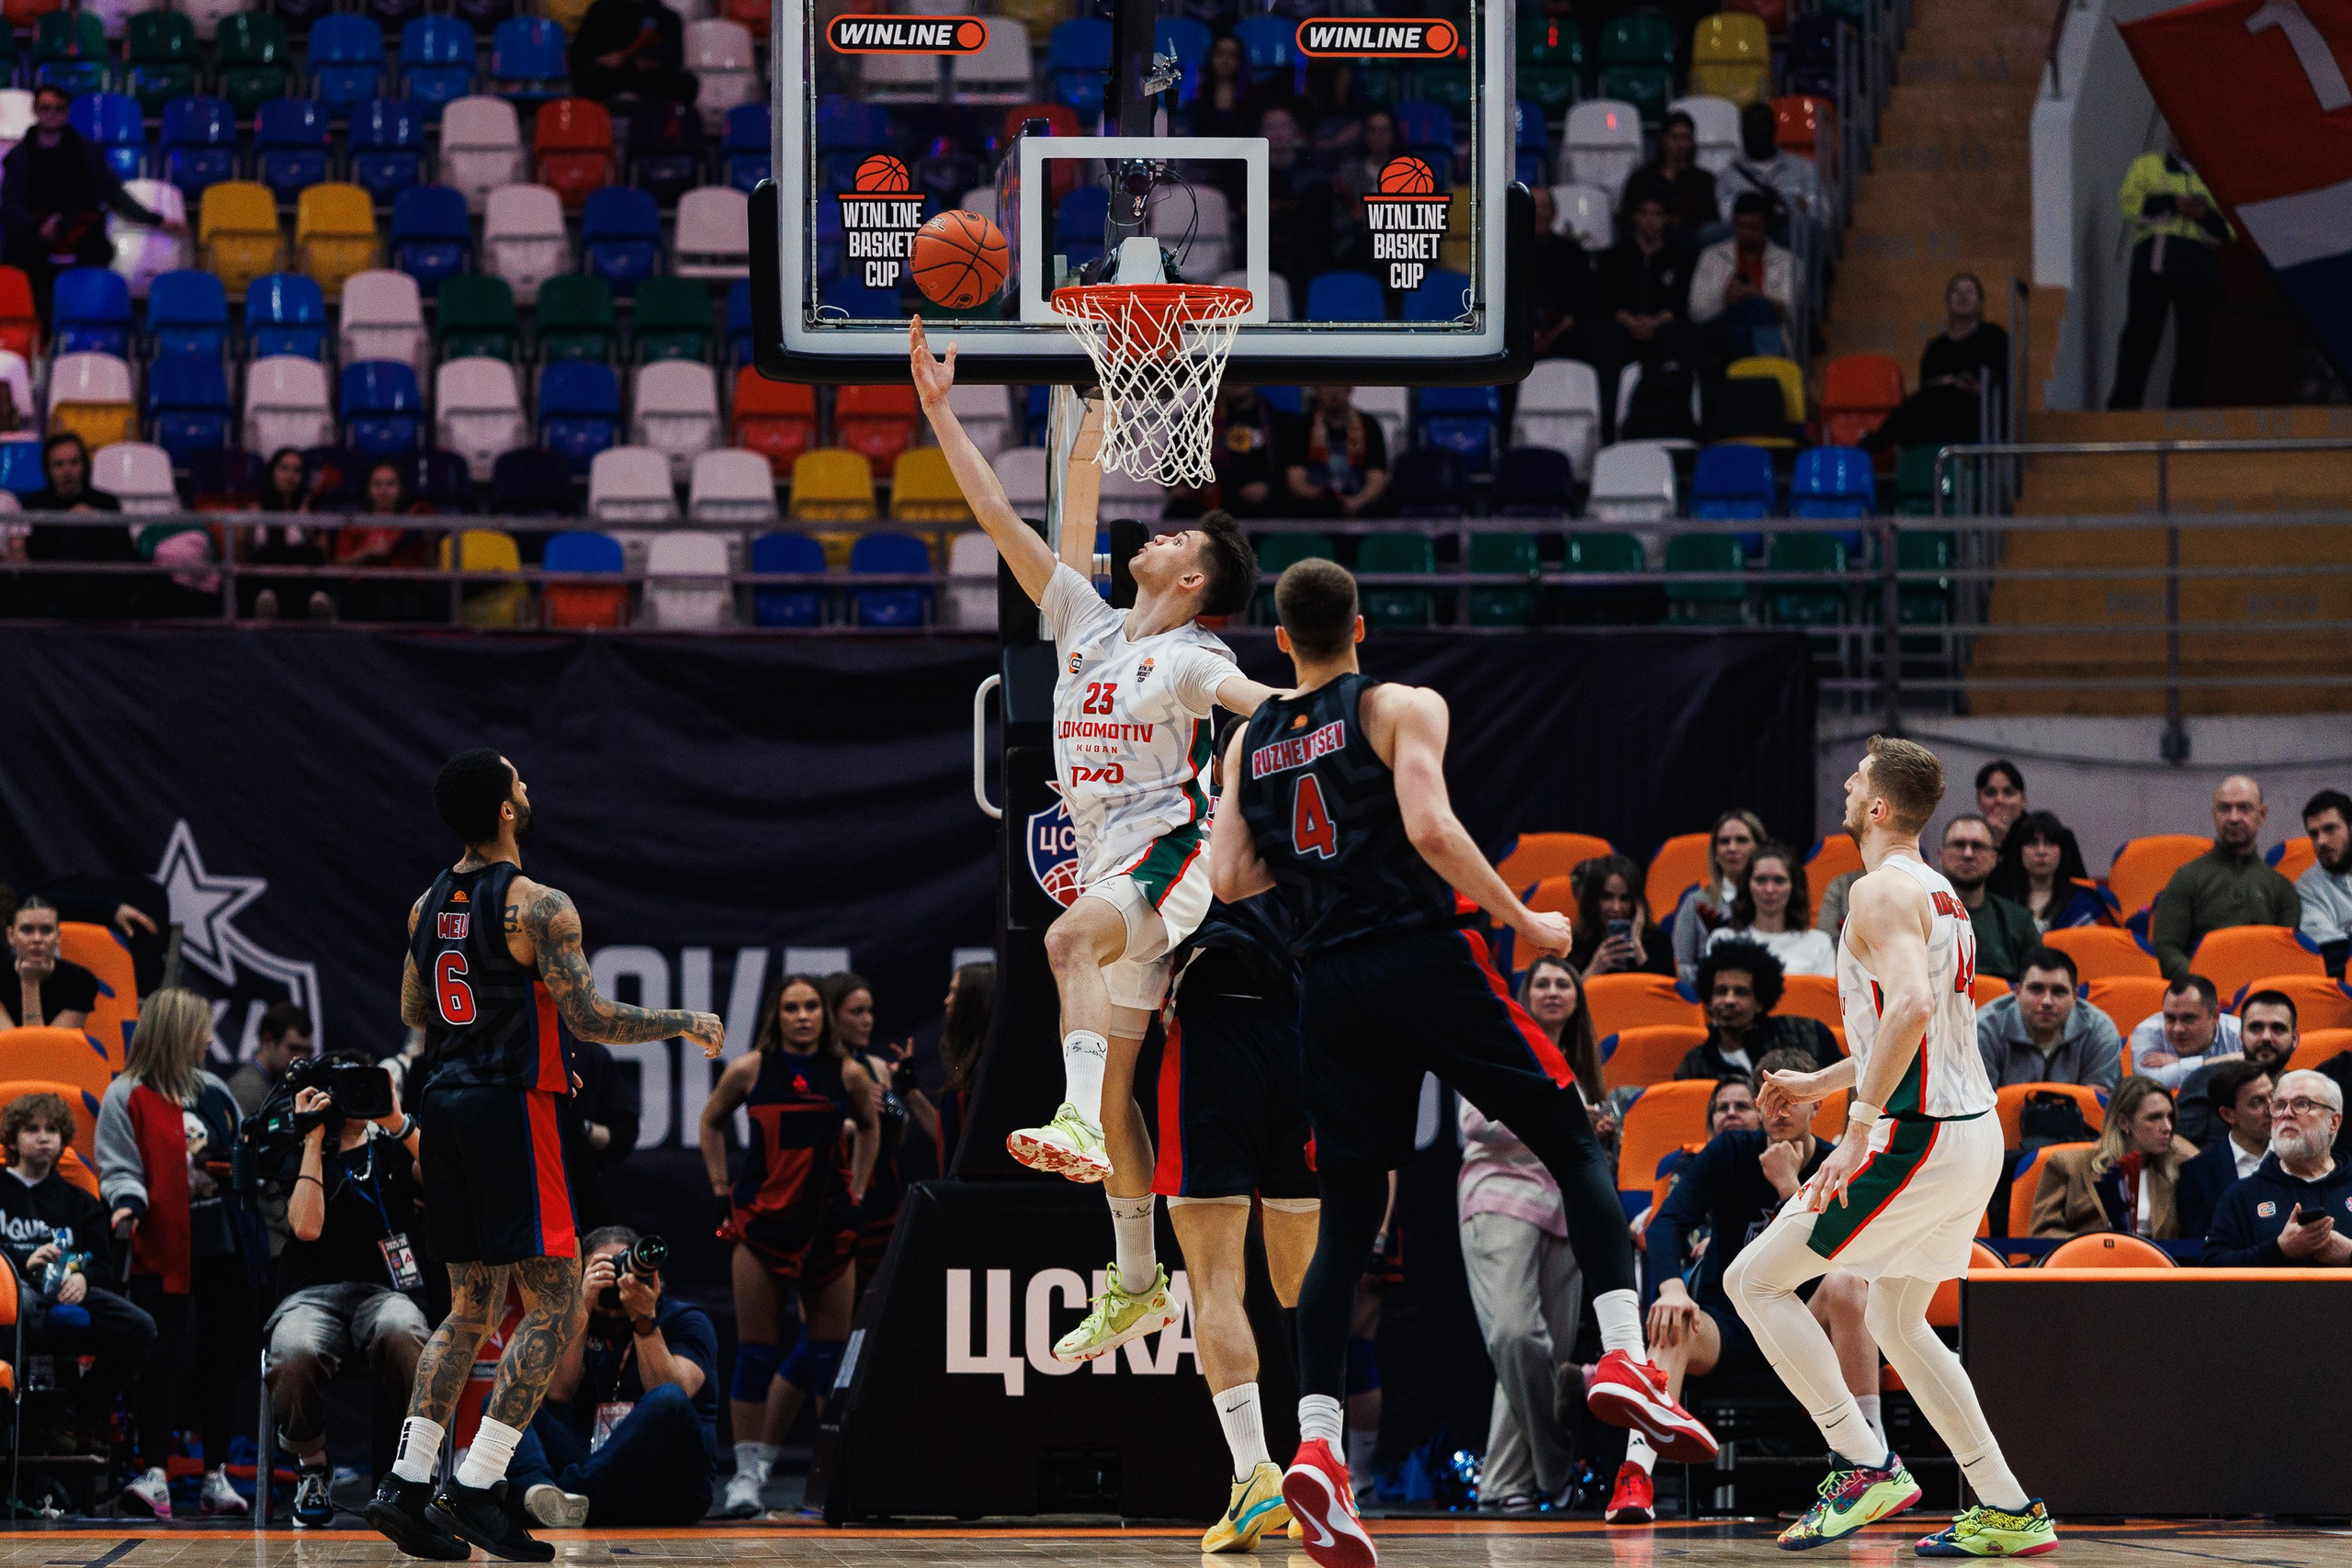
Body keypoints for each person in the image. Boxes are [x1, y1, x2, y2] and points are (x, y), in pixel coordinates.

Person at [1213, 558, 1717, 1568]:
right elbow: (1431, 827)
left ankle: (1314, 1444)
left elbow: (1229, 879)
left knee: (1347, 1219)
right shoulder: (1398, 702)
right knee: (1571, 1135)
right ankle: (1620, 1355)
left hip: (1329, 985)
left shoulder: (1246, 744)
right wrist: (1524, 915)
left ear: (1279, 641)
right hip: (1423, 956)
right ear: (1359, 626)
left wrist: (1318, 859)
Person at [911, 326, 1281, 1371]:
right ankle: (1131, 1282)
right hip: (1111, 860)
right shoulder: (1085, 618)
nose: (1153, 536)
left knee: (1066, 944)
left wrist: (1309, 713)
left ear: (1196, 584)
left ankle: (1066, 1119)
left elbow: (1252, 700)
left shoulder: (1189, 655)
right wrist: (940, 408)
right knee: (1121, 1092)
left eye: (1174, 541)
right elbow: (994, 512)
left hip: (1165, 862)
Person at [364, 749, 723, 1563]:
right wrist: (683, 1020)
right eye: (518, 781)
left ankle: (407, 1480)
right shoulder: (539, 905)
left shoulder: (425, 906)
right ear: (504, 810)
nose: (529, 788)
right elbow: (590, 1018)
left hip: (443, 1105)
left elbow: (415, 1005)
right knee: (557, 1302)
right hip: (510, 1108)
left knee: (469, 1311)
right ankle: (481, 1483)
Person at [1727, 736, 2056, 1555]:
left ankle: (1862, 1459)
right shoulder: (1941, 892)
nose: (1843, 783)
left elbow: (1909, 1005)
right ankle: (2010, 1508)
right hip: (1969, 1134)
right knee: (1897, 1317)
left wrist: (1857, 1125)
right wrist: (1823, 1083)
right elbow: (1916, 1029)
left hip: (1917, 1139)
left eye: (1857, 779)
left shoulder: (1876, 892)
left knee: (1754, 1281)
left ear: (1878, 807)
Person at [1625, 1048, 1876, 1527]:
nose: (1779, 1111)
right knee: (1671, 1320)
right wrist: (1674, 1288)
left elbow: (1845, 1256)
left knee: (1847, 1284)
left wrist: (1789, 1188)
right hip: (1732, 1329)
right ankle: (1637, 1474)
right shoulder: (1729, 1151)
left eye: (1791, 1099)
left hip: (1809, 1321)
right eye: (1770, 1099)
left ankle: (1868, 1465)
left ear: (1817, 1104)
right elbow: (1666, 1224)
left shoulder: (1836, 1162)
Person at [1152, 887, 1319, 1551]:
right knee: (1306, 1286)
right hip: (1305, 1026)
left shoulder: (1178, 794)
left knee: (1216, 1279)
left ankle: (1254, 1473)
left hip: (1215, 1029)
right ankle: (1322, 1472)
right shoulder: (1313, 790)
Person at [701, 974, 877, 1517]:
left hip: (828, 1229)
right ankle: (747, 1478)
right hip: (762, 1228)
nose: (802, 1016)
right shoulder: (751, 1069)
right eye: (790, 1008)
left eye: (811, 1007)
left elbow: (871, 1127)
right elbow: (710, 1123)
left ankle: (831, 1475)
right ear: (776, 1015)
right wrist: (720, 1190)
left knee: (829, 1359)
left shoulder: (847, 1072)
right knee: (755, 1353)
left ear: (824, 1014)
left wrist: (858, 1188)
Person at [96, 987, 256, 1518]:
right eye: (201, 1029)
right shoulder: (127, 1094)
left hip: (221, 1243)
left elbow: (243, 1152)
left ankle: (216, 1476)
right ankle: (155, 1473)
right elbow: (119, 1167)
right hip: (158, 1243)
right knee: (160, 1359)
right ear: (176, 1033)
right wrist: (126, 1203)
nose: (210, 1039)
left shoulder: (214, 1091)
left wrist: (234, 1164)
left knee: (221, 1359)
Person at [1457, 954, 1606, 1514]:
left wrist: (1595, 1131)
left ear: (1576, 998)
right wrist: (1563, 1118)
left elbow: (1587, 1146)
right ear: (1525, 992)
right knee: (1517, 1338)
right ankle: (1556, 1466)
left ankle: (1502, 1487)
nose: (1552, 991)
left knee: (1540, 1359)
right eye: (1541, 982)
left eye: (1562, 983)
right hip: (1501, 1198)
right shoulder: (1498, 1041)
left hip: (1569, 1210)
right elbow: (1475, 1123)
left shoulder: (1585, 1063)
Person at [266, 1056, 430, 1528]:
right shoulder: (294, 1148)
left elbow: (452, 1175)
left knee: (406, 1332)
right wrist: (314, 1138)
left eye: (366, 1083)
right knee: (293, 1348)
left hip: (384, 1292)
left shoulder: (396, 1147)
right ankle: (312, 1465)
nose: (357, 1094)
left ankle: (415, 1469)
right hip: (309, 1292)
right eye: (345, 1087)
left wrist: (399, 1122)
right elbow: (307, 1227)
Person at [509, 1225, 719, 1527]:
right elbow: (558, 1392)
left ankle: (564, 1494)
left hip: (669, 1487)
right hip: (597, 1475)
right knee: (505, 1400)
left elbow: (672, 1392)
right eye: (602, 1269)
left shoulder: (686, 1320)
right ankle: (538, 1494)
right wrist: (581, 1307)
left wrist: (643, 1316)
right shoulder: (578, 1316)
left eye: (622, 1266)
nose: (615, 1279)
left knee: (668, 1397)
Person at [0, 1090, 155, 1462]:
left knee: (140, 1328)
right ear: (12, 1139)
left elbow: (104, 1263)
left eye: (52, 1129)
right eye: (32, 1129)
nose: (43, 1137)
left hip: (67, 1290)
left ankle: (73, 1413)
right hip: (9, 1294)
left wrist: (85, 1279)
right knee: (19, 1309)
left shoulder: (81, 1201)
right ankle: (9, 1426)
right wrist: (23, 1261)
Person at [0, 85, 185, 326]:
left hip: (81, 233)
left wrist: (157, 220)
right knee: (20, 260)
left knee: (99, 254)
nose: (52, 114)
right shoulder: (18, 157)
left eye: (59, 109)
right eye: (45, 108)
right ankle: (39, 337)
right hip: (34, 235)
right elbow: (10, 204)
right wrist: (38, 227)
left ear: (67, 113)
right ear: (35, 110)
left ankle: (88, 330)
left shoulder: (88, 152)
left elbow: (113, 193)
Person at [2108, 143, 2229, 411]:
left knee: (2193, 351)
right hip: (2155, 266)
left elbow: (2230, 228)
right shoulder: (2147, 165)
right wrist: (2173, 203)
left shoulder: (2217, 174)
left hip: (2199, 270)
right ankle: (2123, 413)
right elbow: (2129, 204)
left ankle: (2184, 421)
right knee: (2139, 342)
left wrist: (2203, 215)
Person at [2151, 776, 2301, 979]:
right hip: (2202, 999)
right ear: (2214, 815)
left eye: (2244, 808)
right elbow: (2166, 949)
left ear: (2262, 815)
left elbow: (2288, 958)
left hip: (2263, 1001)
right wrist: (2206, 985)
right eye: (2224, 809)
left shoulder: (2283, 890)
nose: (2233, 817)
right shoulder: (2186, 878)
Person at [2201, 1069, 2352, 1267]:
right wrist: (2279, 1250)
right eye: (2279, 1105)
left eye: (2301, 1104)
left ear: (2333, 1122)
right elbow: (2210, 1270)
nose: (2286, 1114)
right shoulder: (2241, 1195)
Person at [2027, 1077, 2197, 1239]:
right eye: (2154, 1118)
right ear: (2123, 1122)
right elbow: (2042, 1234)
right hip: (2086, 1265)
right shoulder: (2067, 1165)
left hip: (2152, 1267)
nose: (2167, 1127)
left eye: (2170, 1117)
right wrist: (2102, 1248)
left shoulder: (2172, 1174)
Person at [1860, 275, 2011, 456]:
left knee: (1929, 407)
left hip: (1977, 413)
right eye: (1957, 291)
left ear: (1980, 303)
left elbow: (1997, 381)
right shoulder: (1936, 347)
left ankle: (1871, 446)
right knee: (1916, 406)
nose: (1963, 296)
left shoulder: (1993, 336)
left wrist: (1957, 383)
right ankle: (1869, 450)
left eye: (1970, 292)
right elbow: (1928, 388)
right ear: (1947, 302)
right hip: (1939, 414)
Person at [823, 970, 907, 1291]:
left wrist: (897, 1098)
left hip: (880, 1204)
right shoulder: (819, 1068)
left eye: (869, 1011)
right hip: (834, 1203)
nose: (867, 1020)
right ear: (832, 1016)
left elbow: (898, 1132)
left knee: (878, 1302)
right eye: (856, 1012)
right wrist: (856, 1120)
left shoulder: (876, 1067)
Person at [1591, 192, 1695, 440]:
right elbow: (1606, 300)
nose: (1651, 221)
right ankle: (1609, 427)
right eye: (1645, 214)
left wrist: (1654, 322)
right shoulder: (1614, 257)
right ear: (1635, 217)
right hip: (1624, 329)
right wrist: (1631, 322)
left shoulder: (1680, 258)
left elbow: (1682, 303)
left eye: (1657, 214)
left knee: (1683, 335)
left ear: (1666, 219)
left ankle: (1677, 423)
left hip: (1662, 329)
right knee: (1606, 337)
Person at [1673, 939, 1839, 1081]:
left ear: (1760, 1002)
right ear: (1709, 1000)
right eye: (1721, 991)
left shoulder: (1809, 1035)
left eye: (1741, 992)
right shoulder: (1693, 1065)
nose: (1729, 1000)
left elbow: (1847, 1092)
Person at [20, 432, 134, 619]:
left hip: (101, 585)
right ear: (48, 470)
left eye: (74, 462)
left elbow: (123, 550)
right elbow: (36, 556)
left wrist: (96, 519)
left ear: (84, 466)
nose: (67, 471)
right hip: (54, 584)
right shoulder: (34, 505)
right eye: (59, 464)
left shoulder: (106, 502)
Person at [1975, 946, 2121, 1089]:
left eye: (2058, 991)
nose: (2047, 1001)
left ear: (2075, 997)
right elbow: (1979, 1106)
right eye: (2036, 989)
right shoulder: (1985, 1029)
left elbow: (2098, 1106)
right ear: (2018, 992)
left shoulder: (2099, 1031)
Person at [2176, 989, 2297, 1147]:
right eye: (2256, 1028)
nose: (2266, 1037)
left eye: (2278, 1029)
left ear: (2294, 1039)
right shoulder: (2206, 1079)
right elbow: (2173, 1141)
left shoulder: (2308, 1091)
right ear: (2240, 1037)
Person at [2176, 1057, 2275, 1242]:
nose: (2272, 1109)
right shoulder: (2197, 1174)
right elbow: (2202, 1245)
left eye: (2272, 1096)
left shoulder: (2298, 1157)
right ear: (2228, 1115)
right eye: (2257, 1102)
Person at [1688, 193, 1792, 366]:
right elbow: (1695, 312)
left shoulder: (1787, 261)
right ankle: (1767, 371)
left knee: (1752, 314)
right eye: (1741, 226)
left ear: (1765, 226)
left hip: (1762, 329)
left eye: (1754, 227)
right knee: (1744, 314)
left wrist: (1758, 296)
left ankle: (1751, 373)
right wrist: (1724, 298)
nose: (1747, 233)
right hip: (1722, 328)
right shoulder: (1712, 256)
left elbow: (1791, 312)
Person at [1702, 840, 1834, 976]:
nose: (1769, 889)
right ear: (1747, 885)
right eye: (1761, 880)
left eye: (1779, 880)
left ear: (1794, 886)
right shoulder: (1723, 939)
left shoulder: (1819, 943)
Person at [1671, 809, 1769, 986]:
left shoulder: (1772, 900)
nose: (1732, 848)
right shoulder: (1695, 902)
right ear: (1715, 853)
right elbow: (1682, 969)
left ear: (1759, 848)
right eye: (1724, 842)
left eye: (1741, 840)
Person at [910, 961, 992, 1172]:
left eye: (955, 993)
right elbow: (948, 1139)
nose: (947, 1001)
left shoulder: (988, 1077)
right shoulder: (965, 1069)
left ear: (974, 1001)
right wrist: (908, 1088)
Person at [1938, 813, 2039, 982]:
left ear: (1993, 859)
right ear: (1941, 856)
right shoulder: (1918, 916)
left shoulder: (2020, 921)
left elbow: (2037, 987)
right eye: (1959, 845)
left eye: (1977, 846)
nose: (1968, 854)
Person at [338, 459, 435, 624]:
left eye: (390, 484)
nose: (384, 491)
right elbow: (339, 566)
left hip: (407, 586)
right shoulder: (353, 524)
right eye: (377, 484)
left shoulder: (413, 524)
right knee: (385, 604)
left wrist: (429, 542)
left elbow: (429, 568)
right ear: (368, 490)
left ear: (400, 490)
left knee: (412, 605)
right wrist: (367, 552)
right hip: (367, 586)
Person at [246, 446, 334, 621]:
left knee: (309, 554)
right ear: (273, 472)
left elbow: (324, 558)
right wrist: (249, 529)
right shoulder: (254, 510)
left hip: (299, 587)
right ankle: (266, 606)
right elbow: (242, 557)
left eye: (297, 470)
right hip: (266, 584)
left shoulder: (312, 512)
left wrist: (309, 528)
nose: (290, 476)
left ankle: (317, 606)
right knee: (265, 554)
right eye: (284, 468)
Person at [1714, 101, 1826, 236]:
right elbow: (1726, 215)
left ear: (1774, 128)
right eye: (1751, 125)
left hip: (1789, 233)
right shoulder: (1727, 174)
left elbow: (1822, 212)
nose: (1757, 130)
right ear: (1742, 131)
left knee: (1812, 228)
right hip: (1744, 236)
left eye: (1763, 124)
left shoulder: (1804, 167)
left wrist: (1790, 215)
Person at [1986, 810, 2111, 931]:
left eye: (2050, 843)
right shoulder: (2003, 904)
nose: (2041, 851)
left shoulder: (2085, 902)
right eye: (2032, 843)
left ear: (2062, 851)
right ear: (2020, 851)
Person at [1282, 385, 1390, 519]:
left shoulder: (1370, 426)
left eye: (1339, 385)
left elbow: (1377, 479)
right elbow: (1296, 481)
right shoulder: (1301, 427)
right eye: (1327, 385)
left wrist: (1356, 502)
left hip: (1359, 503)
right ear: (1316, 390)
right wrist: (1323, 495)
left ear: (1350, 388)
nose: (1333, 391)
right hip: (1317, 503)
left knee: (1382, 508)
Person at [567, 0, 697, 107]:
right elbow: (577, 54)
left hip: (649, 79)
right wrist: (603, 60)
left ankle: (659, 128)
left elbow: (675, 61)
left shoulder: (668, 18)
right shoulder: (601, 9)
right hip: (610, 74)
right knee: (585, 78)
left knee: (687, 83)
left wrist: (655, 64)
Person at [2, 894, 99, 1030]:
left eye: (46, 930)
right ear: (10, 935)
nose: (37, 939)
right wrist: (29, 982)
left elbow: (45, 1048)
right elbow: (15, 1047)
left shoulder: (81, 981)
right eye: (27, 930)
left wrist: (30, 983)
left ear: (58, 937)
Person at [2127, 976, 2240, 1089]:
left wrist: (2179, 1064)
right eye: (2170, 1018)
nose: (2178, 1029)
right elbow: (2149, 1083)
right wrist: (2214, 1063)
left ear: (2215, 1015)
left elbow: (2256, 1069)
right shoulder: (2147, 1032)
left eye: (2189, 1018)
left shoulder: (2239, 1031)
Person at [1568, 854, 1672, 977]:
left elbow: (1667, 994)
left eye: (1625, 898)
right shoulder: (1573, 944)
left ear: (1637, 903)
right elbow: (1566, 995)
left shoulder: (1659, 941)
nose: (1616, 908)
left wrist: (1637, 947)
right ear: (1593, 900)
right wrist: (1594, 969)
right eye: (1607, 897)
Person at [1623, 111, 1720, 240]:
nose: (1680, 144)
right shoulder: (1642, 178)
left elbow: (1709, 220)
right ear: (1663, 139)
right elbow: (1628, 218)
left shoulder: (1703, 180)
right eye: (1674, 137)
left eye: (1686, 138)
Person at [1527, 186, 1595, 361]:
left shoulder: (1572, 253)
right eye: (1533, 206)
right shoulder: (1505, 252)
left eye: (1545, 207)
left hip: (1563, 336)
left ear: (1554, 213)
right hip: (1518, 337)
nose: (1540, 213)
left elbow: (1581, 302)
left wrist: (1551, 336)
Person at [2296, 788, 2352, 976]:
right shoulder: (2307, 888)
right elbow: (2331, 957)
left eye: (2330, 829)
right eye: (2314, 834)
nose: (2321, 841)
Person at [228, 1002, 317, 1115]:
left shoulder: (272, 1085)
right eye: (294, 1048)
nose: (301, 1058)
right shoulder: (247, 1091)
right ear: (268, 1040)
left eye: (307, 1051)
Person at [1975, 761, 2027, 848]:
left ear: (2023, 800)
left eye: (2009, 793)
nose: (1999, 800)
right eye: (1990, 793)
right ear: (1979, 800)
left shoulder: (2038, 837)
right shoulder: (1970, 836)